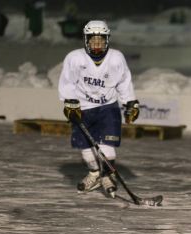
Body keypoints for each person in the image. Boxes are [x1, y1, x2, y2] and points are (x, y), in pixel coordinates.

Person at [58, 20, 140, 198]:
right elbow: (67, 82)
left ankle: (108, 175)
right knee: (85, 147)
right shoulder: (75, 58)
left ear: (107, 40)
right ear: (86, 40)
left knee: (106, 144)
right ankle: (95, 174)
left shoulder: (116, 58)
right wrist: (69, 102)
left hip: (107, 107)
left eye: (100, 40)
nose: (97, 44)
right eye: (93, 40)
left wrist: (130, 102)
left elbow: (124, 82)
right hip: (83, 108)